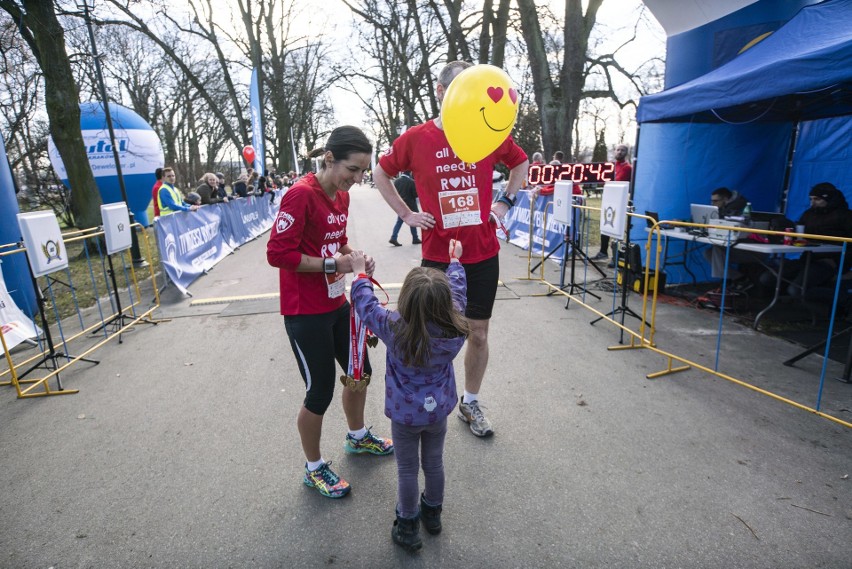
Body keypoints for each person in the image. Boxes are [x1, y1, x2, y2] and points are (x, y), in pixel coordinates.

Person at [373, 60, 529, 438]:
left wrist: (504, 203)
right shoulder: (417, 137)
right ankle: (426, 400)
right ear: (442, 93)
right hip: (438, 257)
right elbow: (381, 172)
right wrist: (407, 214)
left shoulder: (487, 131)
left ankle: (470, 402)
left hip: (481, 253)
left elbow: (520, 162)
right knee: (430, 332)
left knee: (478, 333)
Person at [266, 125, 393, 499]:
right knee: (319, 390)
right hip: (305, 312)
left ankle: (356, 437)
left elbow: (335, 242)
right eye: (352, 169)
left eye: (362, 172)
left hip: (337, 303)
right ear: (328, 159)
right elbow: (278, 254)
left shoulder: (341, 196)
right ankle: (314, 467)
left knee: (360, 372)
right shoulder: (300, 195)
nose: (357, 179)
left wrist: (355, 257)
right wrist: (334, 266)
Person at [349, 239, 469, 552]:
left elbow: (366, 307)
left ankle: (407, 525)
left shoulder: (394, 328)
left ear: (407, 299)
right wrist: (455, 261)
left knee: (406, 470)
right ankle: (433, 513)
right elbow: (458, 292)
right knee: (434, 463)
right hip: (437, 412)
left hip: (405, 416)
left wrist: (360, 275)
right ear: (443, 304)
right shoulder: (454, 326)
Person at [760, 182, 852, 296]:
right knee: (767, 278)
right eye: (811, 199)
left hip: (829, 262)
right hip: (807, 259)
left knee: (796, 290)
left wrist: (841, 265)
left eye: (817, 199)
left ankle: (843, 300)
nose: (812, 202)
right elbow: (800, 232)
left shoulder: (846, 216)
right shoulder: (809, 214)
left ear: (829, 199)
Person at [701, 187, 759, 284]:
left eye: (715, 201)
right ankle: (739, 278)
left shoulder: (739, 207)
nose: (712, 204)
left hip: (750, 250)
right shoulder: (724, 207)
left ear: (726, 199)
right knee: (708, 253)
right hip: (735, 246)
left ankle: (725, 282)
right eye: (711, 201)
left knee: (717, 249)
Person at [593, 143, 633, 263]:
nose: (619, 152)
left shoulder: (628, 167)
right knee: (605, 225)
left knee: (617, 228)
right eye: (618, 150)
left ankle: (616, 257)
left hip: (619, 201)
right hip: (608, 200)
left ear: (626, 153)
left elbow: (620, 181)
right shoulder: (611, 166)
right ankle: (603, 251)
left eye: (622, 150)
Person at [389, 172, 421, 247]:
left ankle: (394, 237)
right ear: (409, 173)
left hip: (400, 205)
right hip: (411, 206)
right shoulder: (411, 182)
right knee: (412, 220)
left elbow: (394, 193)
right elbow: (415, 194)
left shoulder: (397, 181)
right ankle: (415, 238)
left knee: (399, 222)